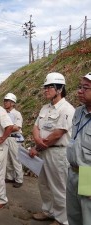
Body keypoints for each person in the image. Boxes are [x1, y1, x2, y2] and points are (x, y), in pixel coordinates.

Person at [29, 72, 74, 225]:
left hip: (57, 153)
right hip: (43, 151)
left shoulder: (67, 109)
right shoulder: (45, 108)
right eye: (45, 87)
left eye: (49, 87)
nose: (45, 90)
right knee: (44, 184)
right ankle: (48, 211)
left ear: (59, 89)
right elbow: (35, 127)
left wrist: (39, 146)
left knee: (59, 186)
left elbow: (58, 134)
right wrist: (37, 140)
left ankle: (62, 219)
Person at [66, 72, 91, 225]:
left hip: (88, 174)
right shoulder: (78, 112)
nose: (80, 91)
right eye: (79, 87)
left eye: (85, 88)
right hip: (73, 172)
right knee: (73, 216)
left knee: (87, 218)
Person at [3, 93, 24, 188]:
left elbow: (17, 127)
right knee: (7, 160)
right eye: (5, 100)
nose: (5, 102)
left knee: (16, 159)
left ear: (12, 103)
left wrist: (7, 128)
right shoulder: (3, 113)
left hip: (14, 138)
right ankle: (10, 177)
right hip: (6, 138)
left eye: (7, 101)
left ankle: (19, 179)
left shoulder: (16, 114)